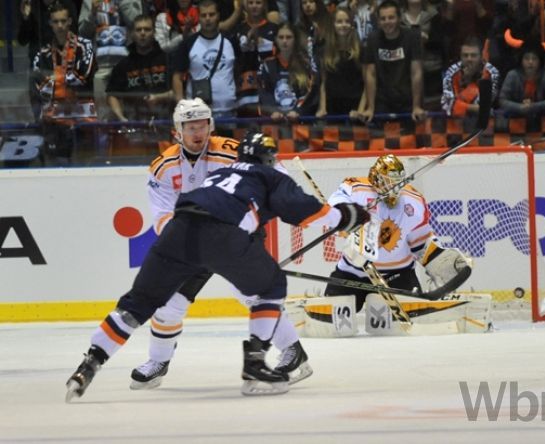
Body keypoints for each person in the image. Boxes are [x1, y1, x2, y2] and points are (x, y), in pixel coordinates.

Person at [66, 130, 370, 400]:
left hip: (180, 229)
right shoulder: (269, 174)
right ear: (267, 158)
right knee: (271, 285)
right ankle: (255, 363)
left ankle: (89, 363)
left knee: (138, 304)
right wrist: (349, 216)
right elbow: (307, 213)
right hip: (223, 234)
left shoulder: (219, 173)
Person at [129, 98, 313, 389]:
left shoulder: (232, 152)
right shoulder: (162, 166)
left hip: (237, 233)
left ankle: (294, 352)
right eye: (190, 126)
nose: (196, 131)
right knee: (169, 302)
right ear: (178, 130)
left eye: (201, 124)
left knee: (253, 296)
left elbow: (277, 178)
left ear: (211, 125)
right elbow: (162, 215)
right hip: (191, 237)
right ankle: (158, 361)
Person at [324, 154, 472, 312]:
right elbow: (334, 206)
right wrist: (347, 218)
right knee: (328, 319)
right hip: (353, 273)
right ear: (377, 179)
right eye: (389, 182)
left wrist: (438, 257)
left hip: (398, 276)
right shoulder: (355, 188)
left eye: (398, 182)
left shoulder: (414, 201)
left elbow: (420, 242)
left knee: (414, 322)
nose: (395, 187)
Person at [30, 1, 96, 165]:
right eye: (56, 21)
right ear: (50, 24)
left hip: (83, 115)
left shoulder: (85, 46)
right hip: (55, 120)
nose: (60, 25)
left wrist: (54, 77)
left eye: (63, 21)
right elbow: (42, 87)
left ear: (70, 22)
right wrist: (64, 78)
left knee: (86, 165)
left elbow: (82, 78)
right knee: (56, 165)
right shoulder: (42, 53)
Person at [357, 0, 427, 123]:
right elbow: (370, 75)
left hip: (407, 100)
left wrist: (416, 106)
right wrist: (370, 107)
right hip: (382, 101)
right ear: (378, 21)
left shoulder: (412, 37)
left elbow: (416, 72)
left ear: (399, 18)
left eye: (391, 18)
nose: (387, 22)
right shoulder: (372, 39)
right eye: (383, 19)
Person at [172, 0, 239, 120]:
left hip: (229, 111)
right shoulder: (188, 43)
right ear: (198, 17)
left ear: (218, 16)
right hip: (198, 113)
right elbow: (177, 77)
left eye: (211, 14)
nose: (208, 18)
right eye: (203, 15)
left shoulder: (231, 41)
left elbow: (238, 72)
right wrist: (182, 106)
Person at [106, 14, 174, 123]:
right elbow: (112, 95)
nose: (143, 33)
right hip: (135, 124)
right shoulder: (123, 65)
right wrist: (122, 118)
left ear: (154, 32)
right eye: (138, 30)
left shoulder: (168, 60)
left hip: (165, 122)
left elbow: (179, 92)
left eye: (147, 29)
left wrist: (159, 97)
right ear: (132, 34)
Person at [258, 22, 319, 120]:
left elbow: (310, 91)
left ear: (295, 39)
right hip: (275, 121)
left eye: (288, 37)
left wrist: (298, 111)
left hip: (300, 121)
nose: (284, 41)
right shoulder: (267, 65)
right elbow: (264, 92)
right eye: (281, 37)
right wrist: (273, 110)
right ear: (276, 40)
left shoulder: (305, 65)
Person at [316, 6, 365, 118]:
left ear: (352, 24)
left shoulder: (360, 50)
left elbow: (367, 85)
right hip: (332, 108)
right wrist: (323, 108)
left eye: (347, 21)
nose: (343, 25)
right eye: (339, 21)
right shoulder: (324, 50)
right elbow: (323, 83)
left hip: (355, 107)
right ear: (333, 25)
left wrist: (360, 110)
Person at [233, 0, 279, 115]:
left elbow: (278, 55)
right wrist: (247, 42)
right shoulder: (238, 29)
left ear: (264, 5)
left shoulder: (274, 29)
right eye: (250, 2)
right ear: (245, 5)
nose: (254, 6)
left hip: (269, 84)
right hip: (246, 87)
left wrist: (260, 41)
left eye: (258, 2)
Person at [498, 41, 545, 116]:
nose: (530, 62)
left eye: (534, 58)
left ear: (540, 61)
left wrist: (533, 106)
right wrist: (520, 107)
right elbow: (502, 100)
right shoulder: (512, 75)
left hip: (544, 119)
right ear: (521, 60)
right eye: (526, 58)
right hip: (516, 119)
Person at [441, 35, 499, 117]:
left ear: (481, 57)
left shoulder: (492, 73)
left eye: (473, 55)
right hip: (456, 124)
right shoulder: (451, 73)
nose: (469, 59)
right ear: (460, 57)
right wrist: (471, 108)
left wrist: (469, 82)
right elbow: (447, 105)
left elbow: (483, 104)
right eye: (465, 55)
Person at [17, 0, 79, 67]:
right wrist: (26, 18)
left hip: (62, 62)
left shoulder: (66, 4)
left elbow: (74, 33)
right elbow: (22, 41)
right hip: (38, 63)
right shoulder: (32, 6)